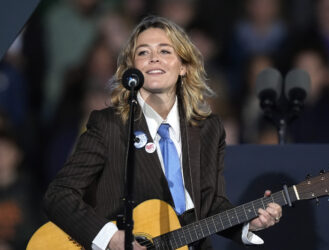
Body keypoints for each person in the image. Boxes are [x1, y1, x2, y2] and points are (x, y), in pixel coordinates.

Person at [44, 16, 282, 250]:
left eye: (165, 51)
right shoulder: (109, 125)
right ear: (131, 69)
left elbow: (210, 205)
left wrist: (247, 222)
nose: (154, 58)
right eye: (143, 52)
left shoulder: (208, 128)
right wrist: (111, 238)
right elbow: (59, 194)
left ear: (184, 67)